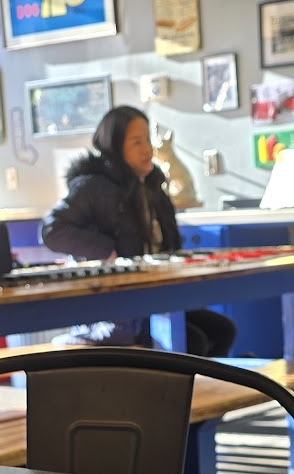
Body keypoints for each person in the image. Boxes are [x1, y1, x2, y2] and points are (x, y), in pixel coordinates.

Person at [41, 105, 237, 358]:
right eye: (137, 142)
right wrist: (106, 249)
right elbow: (52, 231)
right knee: (193, 341)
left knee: (223, 330)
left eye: (147, 140)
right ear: (115, 145)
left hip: (155, 298)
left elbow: (168, 242)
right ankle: (180, 385)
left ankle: (203, 384)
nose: (147, 149)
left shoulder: (152, 185)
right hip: (116, 308)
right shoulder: (92, 186)